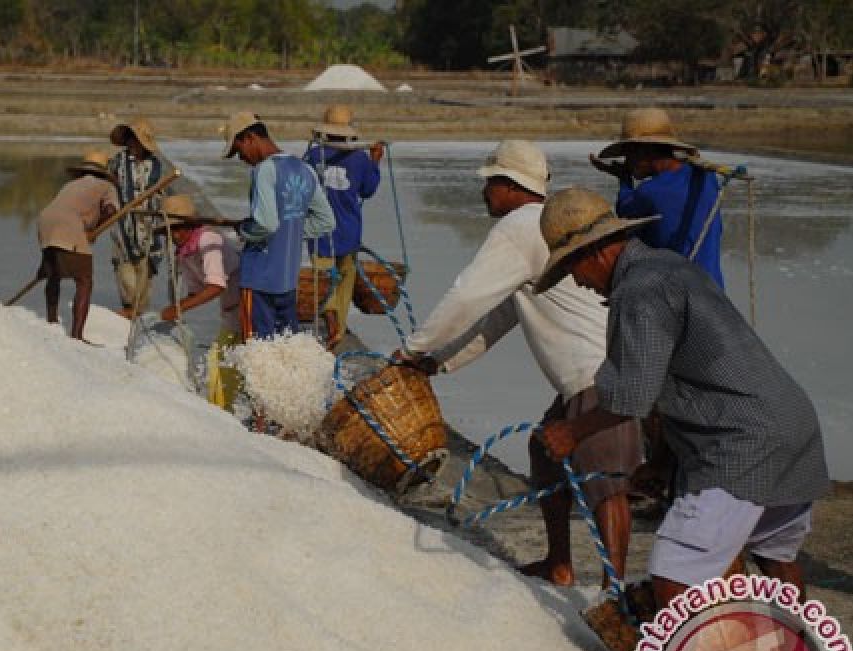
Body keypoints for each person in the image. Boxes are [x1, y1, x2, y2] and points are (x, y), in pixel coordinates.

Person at [534, 187, 828, 613]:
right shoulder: (670, 266)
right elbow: (684, 380)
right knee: (774, 555)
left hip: (741, 444)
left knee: (674, 572)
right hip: (791, 424)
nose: (578, 283)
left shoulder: (639, 290)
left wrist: (573, 431)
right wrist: (661, 464)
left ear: (593, 253)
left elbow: (631, 396)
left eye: (573, 271)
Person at [395, 140, 641, 589]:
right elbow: (502, 315)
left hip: (599, 370)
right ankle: (560, 564)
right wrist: (439, 363)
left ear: (510, 186)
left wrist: (412, 349)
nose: (485, 193)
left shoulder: (521, 225)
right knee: (544, 450)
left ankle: (615, 590)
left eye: (490, 183)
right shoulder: (541, 228)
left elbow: (468, 296)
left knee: (605, 484)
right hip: (589, 372)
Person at [222, 111, 335, 340]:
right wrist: (290, 231)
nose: (241, 158)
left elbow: (265, 223)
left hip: (258, 279)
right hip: (286, 280)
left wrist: (244, 230)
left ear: (250, 138)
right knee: (285, 347)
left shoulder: (264, 170)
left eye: (238, 150)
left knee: (257, 349)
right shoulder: (305, 169)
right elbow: (326, 222)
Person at [590, 107, 724, 288]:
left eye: (629, 155)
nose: (628, 162)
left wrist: (624, 180)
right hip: (715, 291)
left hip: (681, 295)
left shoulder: (650, 192)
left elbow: (625, 214)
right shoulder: (706, 177)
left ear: (645, 152)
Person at [151, 194, 244, 411]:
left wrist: (179, 308)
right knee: (221, 363)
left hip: (248, 302)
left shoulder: (207, 240)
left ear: (191, 226)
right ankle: (223, 411)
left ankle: (231, 411)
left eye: (179, 229)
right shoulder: (184, 252)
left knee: (231, 362)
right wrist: (173, 309)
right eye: (170, 231)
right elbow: (196, 291)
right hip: (229, 309)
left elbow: (216, 285)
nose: (175, 235)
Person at [303, 105, 383, 350]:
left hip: (319, 230)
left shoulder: (314, 156)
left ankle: (330, 315)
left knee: (324, 277)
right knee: (345, 277)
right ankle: (339, 322)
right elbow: (368, 191)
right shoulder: (359, 158)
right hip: (348, 229)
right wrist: (375, 162)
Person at [34, 149, 119, 342]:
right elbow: (111, 210)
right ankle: (77, 336)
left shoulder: (70, 185)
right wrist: (94, 229)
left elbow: (61, 209)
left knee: (53, 274)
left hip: (45, 221)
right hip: (69, 224)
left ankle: (52, 321)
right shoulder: (106, 186)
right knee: (84, 280)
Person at [108, 118, 166, 314]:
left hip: (149, 226)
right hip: (123, 225)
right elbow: (108, 185)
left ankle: (137, 317)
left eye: (137, 141)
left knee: (144, 277)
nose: (133, 145)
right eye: (131, 140)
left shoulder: (156, 165)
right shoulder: (118, 162)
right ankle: (128, 310)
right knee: (125, 275)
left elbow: (162, 192)